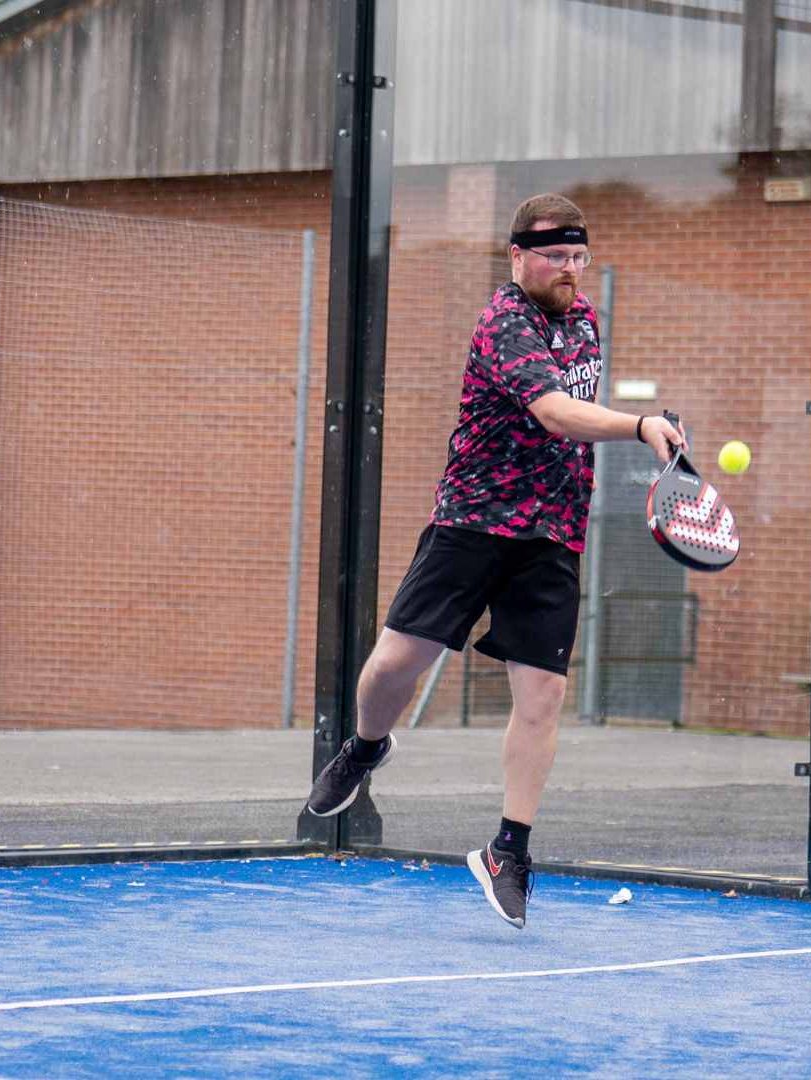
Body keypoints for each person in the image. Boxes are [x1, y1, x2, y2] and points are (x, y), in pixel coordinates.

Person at [306, 192, 684, 929]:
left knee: (542, 697)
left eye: (580, 257)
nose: (571, 271)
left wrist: (646, 432)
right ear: (518, 256)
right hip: (473, 523)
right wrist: (641, 425)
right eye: (556, 257)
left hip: (553, 535)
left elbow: (574, 425)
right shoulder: (502, 320)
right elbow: (553, 412)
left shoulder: (587, 322)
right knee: (392, 668)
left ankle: (509, 849)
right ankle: (364, 748)